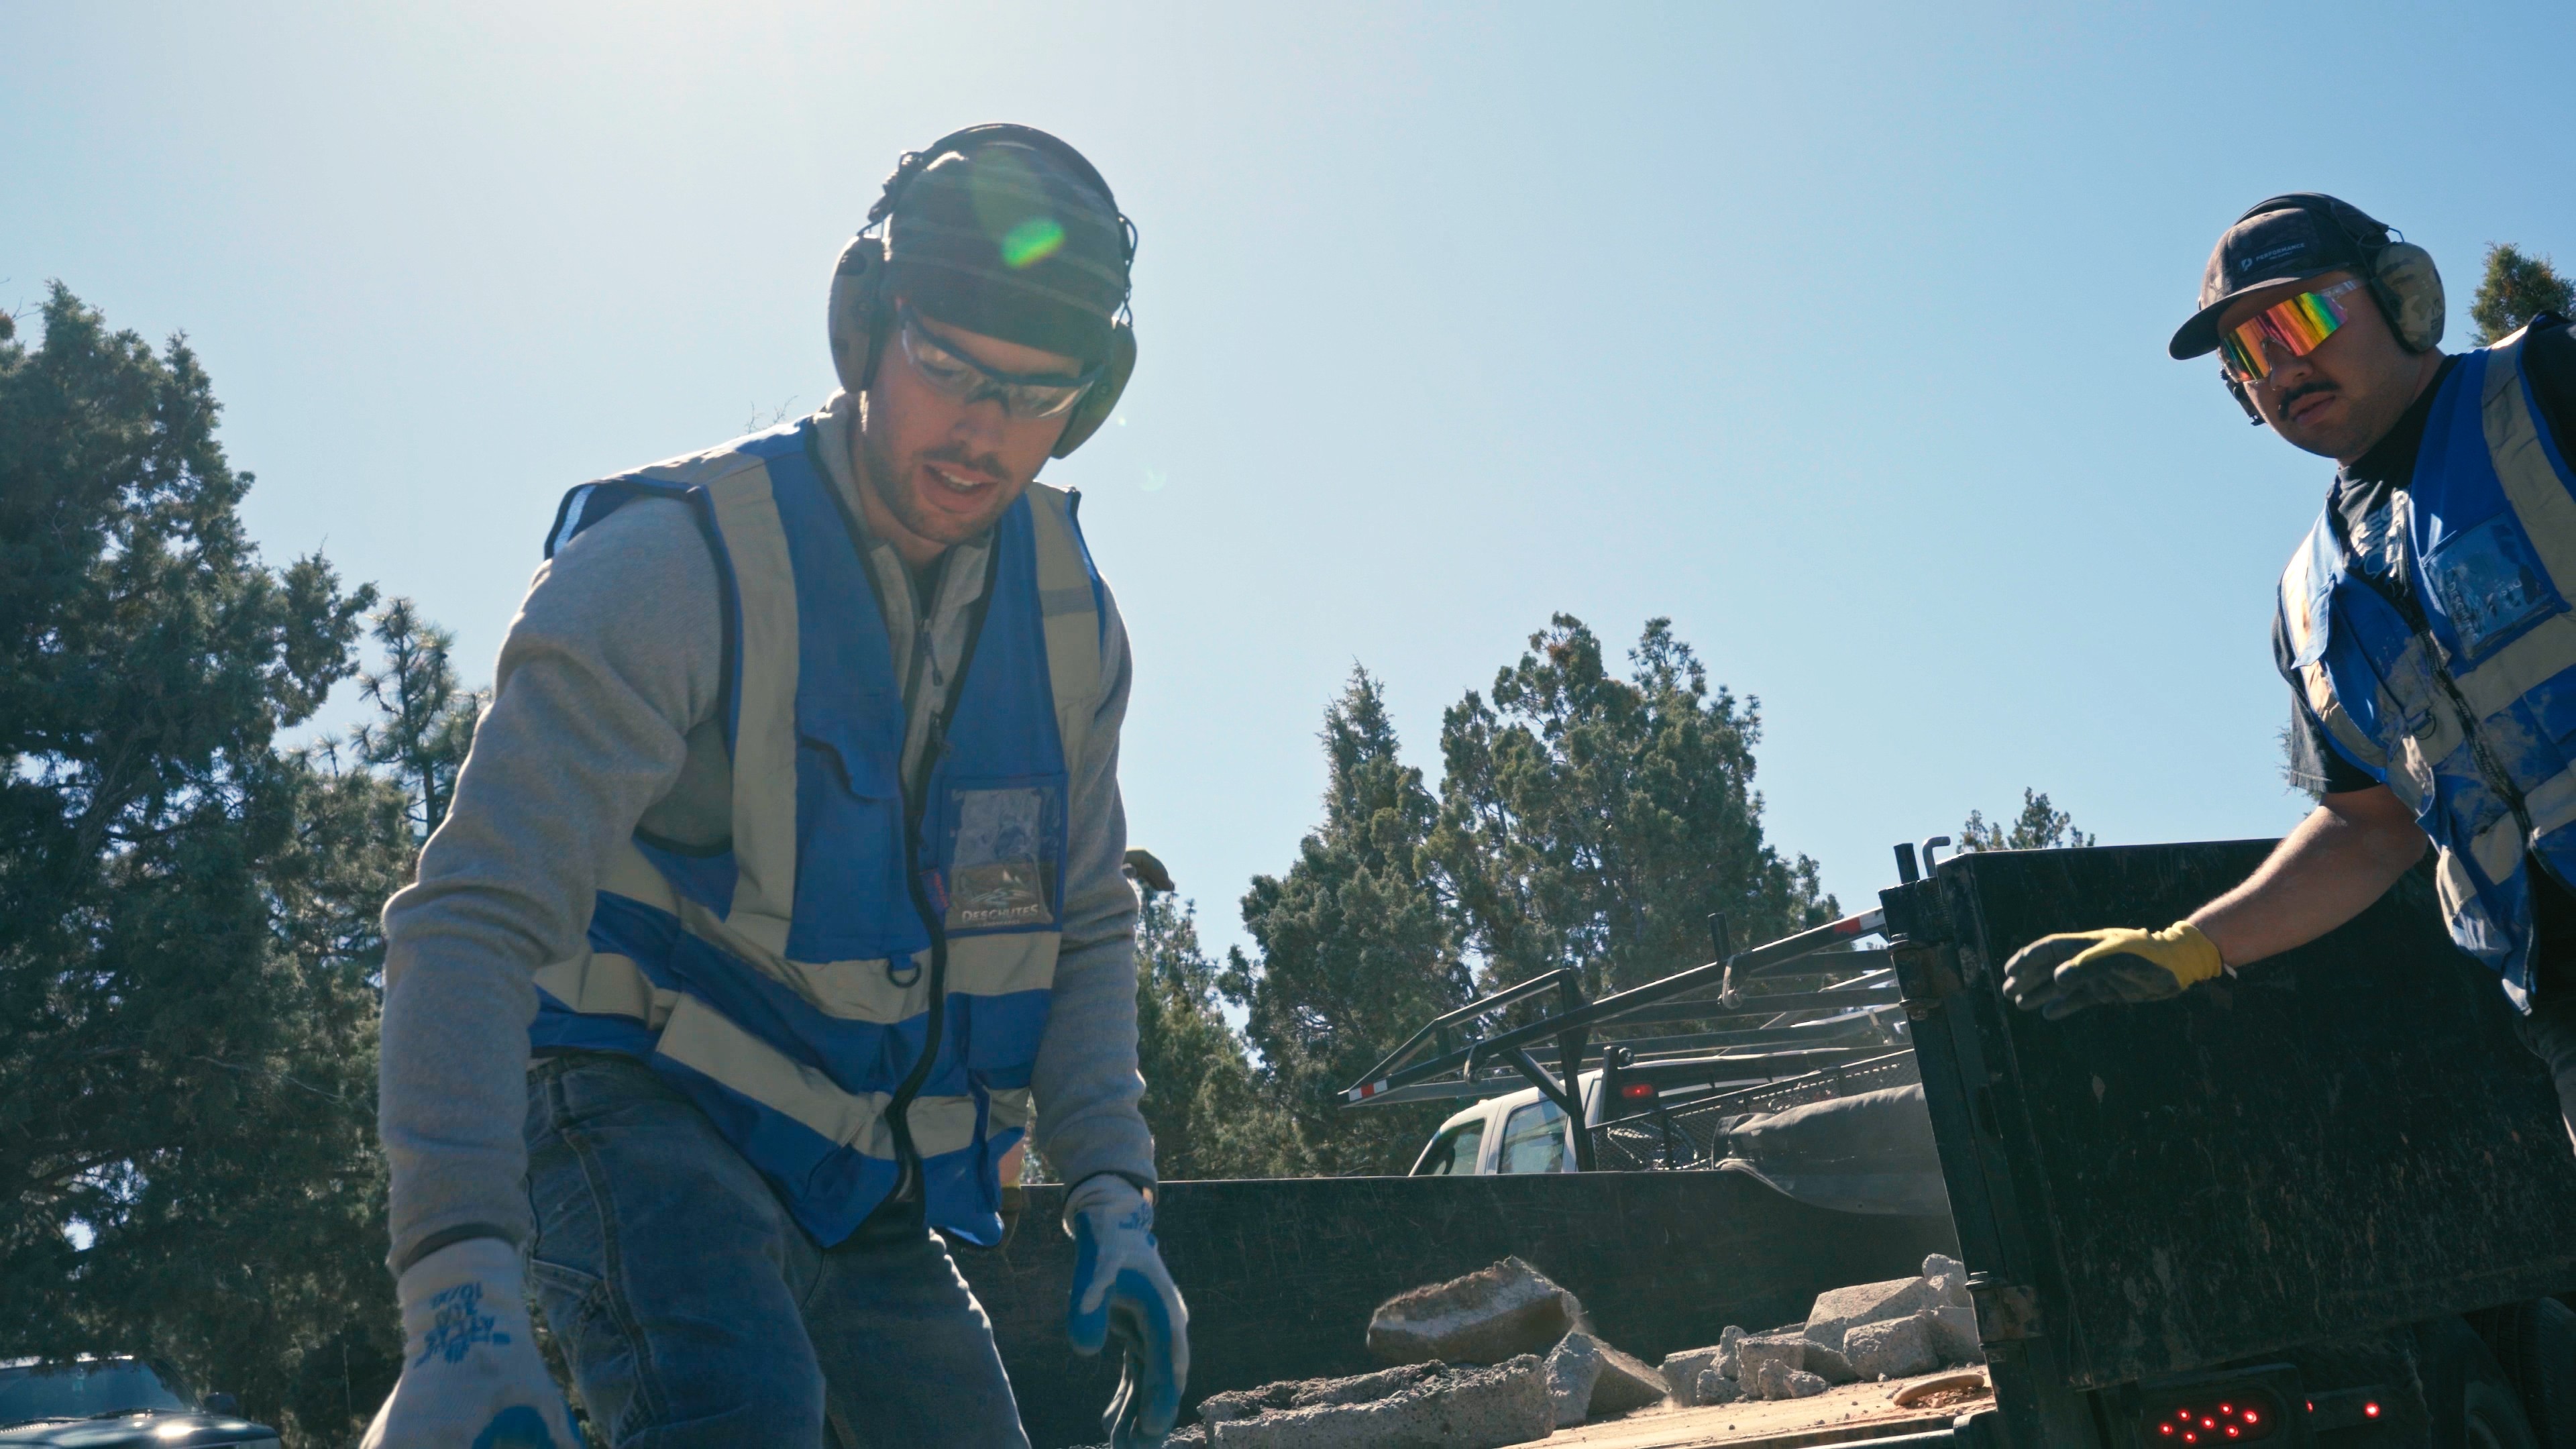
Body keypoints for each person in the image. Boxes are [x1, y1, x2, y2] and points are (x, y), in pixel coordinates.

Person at [361, 124, 1187, 1449]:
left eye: (1037, 394)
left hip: (855, 1181)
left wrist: (1115, 1194)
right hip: (637, 1113)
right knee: (742, 1414)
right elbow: (471, 917)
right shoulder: (675, 567)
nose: (984, 431)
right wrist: (457, 1293)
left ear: (1089, 402)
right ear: (864, 327)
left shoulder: (1069, 621)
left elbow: (1084, 922)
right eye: (946, 367)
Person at [2003, 193, 2576, 1133]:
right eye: (2247, 354)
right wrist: (2189, 947)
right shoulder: (2310, 601)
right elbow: (2368, 829)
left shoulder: (2549, 385)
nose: (2279, 367)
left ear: (2403, 296)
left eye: (2300, 318)